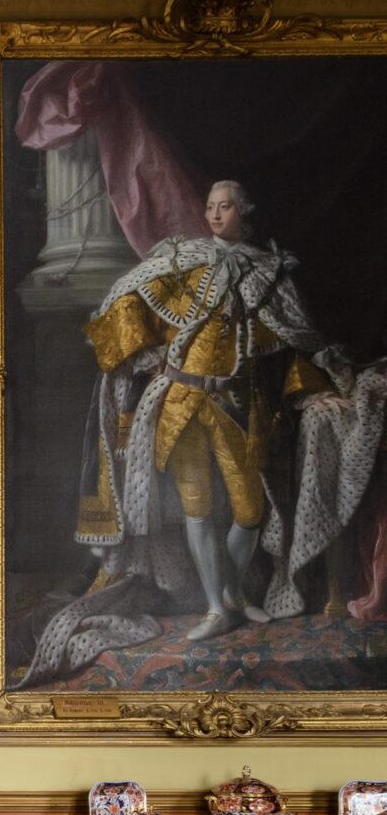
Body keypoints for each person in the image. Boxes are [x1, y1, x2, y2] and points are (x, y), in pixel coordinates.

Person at [70, 180, 351, 642]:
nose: (216, 214)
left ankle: (232, 594)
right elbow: (123, 302)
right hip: (180, 404)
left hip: (238, 406)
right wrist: (147, 357)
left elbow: (293, 346)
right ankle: (216, 607)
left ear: (244, 213)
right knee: (196, 509)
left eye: (226, 207)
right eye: (211, 207)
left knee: (250, 511)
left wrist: (314, 391)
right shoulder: (184, 261)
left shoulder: (267, 272)